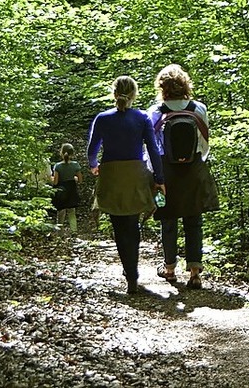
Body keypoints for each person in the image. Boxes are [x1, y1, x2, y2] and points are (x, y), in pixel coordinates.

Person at [87, 75, 165, 294]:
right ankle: (133, 272)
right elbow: (153, 150)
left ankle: (130, 274)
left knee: (119, 226)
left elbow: (92, 151)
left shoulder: (102, 118)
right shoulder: (142, 118)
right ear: (134, 94)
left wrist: (94, 166)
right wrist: (159, 178)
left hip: (111, 175)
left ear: (114, 93)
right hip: (135, 175)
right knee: (132, 223)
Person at [147, 63, 219, 290]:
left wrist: (155, 173)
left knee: (168, 219)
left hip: (166, 170)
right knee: (194, 220)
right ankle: (195, 273)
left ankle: (169, 269)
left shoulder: (155, 111)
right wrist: (197, 161)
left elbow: (151, 146)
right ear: (186, 84)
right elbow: (205, 143)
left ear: (162, 87)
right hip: (193, 169)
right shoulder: (199, 108)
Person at [52, 143, 83, 233]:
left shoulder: (57, 166)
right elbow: (80, 180)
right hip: (71, 190)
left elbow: (55, 182)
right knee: (72, 212)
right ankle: (74, 231)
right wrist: (75, 178)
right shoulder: (75, 165)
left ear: (61, 153)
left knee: (60, 213)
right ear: (72, 153)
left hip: (61, 191)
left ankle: (60, 234)